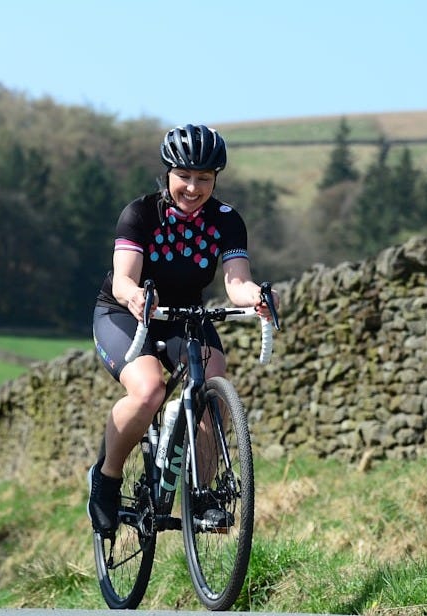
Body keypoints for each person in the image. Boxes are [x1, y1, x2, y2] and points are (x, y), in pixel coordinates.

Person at [86, 124, 279, 536]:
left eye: (204, 179)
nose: (193, 188)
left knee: (213, 383)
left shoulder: (226, 220)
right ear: (168, 173)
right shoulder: (140, 214)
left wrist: (255, 296)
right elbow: (123, 280)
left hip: (186, 314)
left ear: (215, 179)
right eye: (184, 177)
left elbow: (235, 282)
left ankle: (204, 496)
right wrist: (136, 296)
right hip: (124, 312)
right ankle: (106, 478)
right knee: (149, 390)